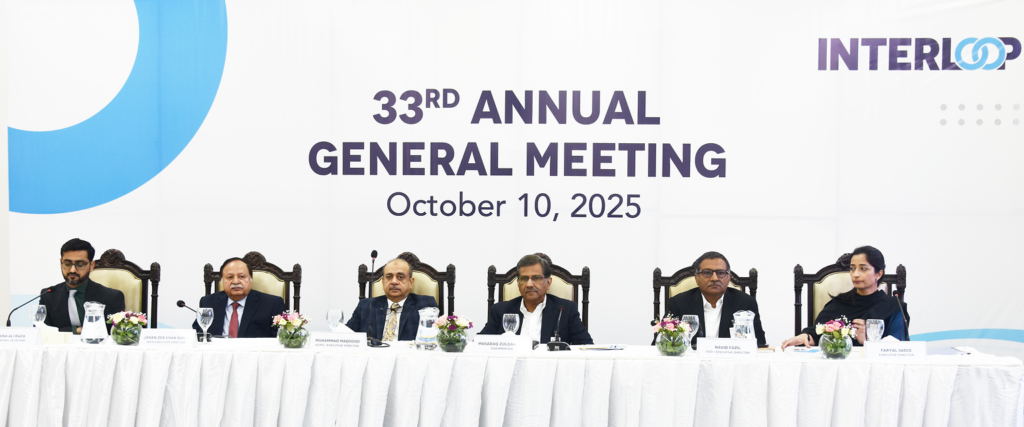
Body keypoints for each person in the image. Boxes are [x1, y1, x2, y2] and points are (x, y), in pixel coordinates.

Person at [780, 246, 907, 350]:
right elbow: (818, 333)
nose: (855, 274)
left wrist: (868, 341)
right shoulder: (840, 302)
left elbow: (897, 347)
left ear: (878, 274)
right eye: (852, 268)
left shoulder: (893, 307)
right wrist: (805, 337)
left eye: (863, 269)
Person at [479, 253, 594, 345]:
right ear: (518, 283)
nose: (529, 284)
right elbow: (479, 344)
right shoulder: (500, 311)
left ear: (548, 283)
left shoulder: (566, 310)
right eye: (524, 279)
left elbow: (586, 347)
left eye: (536, 278)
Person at [664, 251, 768, 347]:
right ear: (696, 278)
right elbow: (662, 341)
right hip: (692, 360)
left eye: (720, 273)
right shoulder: (679, 303)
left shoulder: (746, 303)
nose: (714, 278)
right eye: (707, 273)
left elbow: (759, 344)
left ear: (729, 278)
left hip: (731, 360)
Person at [39, 238, 126, 333]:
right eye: (67, 264)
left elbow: (116, 334)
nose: (72, 270)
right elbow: (41, 331)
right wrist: (76, 330)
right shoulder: (48, 296)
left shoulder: (112, 297)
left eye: (80, 264)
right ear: (61, 263)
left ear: (91, 265)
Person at [346, 255, 438, 341]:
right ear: (383, 282)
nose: (394, 282)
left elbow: (436, 339)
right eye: (389, 277)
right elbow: (346, 336)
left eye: (400, 277)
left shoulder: (426, 305)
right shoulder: (365, 306)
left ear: (411, 283)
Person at [192, 257, 286, 338]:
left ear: (251, 279)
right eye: (230, 277)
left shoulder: (272, 304)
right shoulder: (208, 302)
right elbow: (198, 334)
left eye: (241, 276)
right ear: (222, 280)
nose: (235, 281)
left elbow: (281, 339)